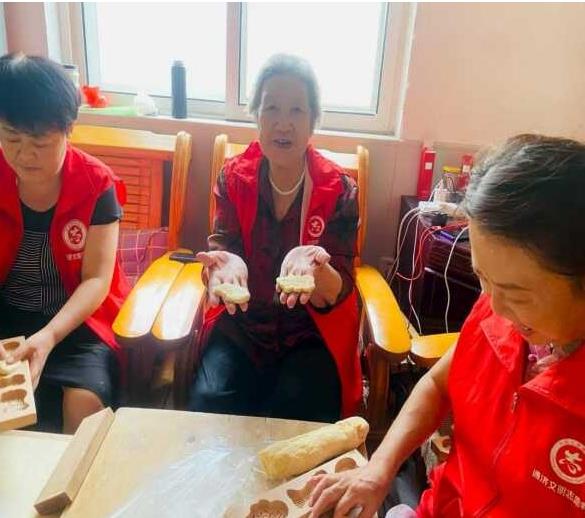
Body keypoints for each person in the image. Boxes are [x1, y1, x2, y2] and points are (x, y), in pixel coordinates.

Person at [308, 134, 585, 517]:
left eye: (517, 295)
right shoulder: (498, 311)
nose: (495, 307)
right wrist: (378, 469)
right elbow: (438, 385)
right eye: (482, 278)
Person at [189, 54, 361, 422]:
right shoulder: (233, 178)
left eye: (297, 110)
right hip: (243, 329)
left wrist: (317, 269)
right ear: (257, 116)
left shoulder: (339, 189)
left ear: (313, 120)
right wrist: (223, 266)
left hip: (309, 334)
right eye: (271, 108)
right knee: (208, 402)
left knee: (298, 412)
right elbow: (222, 250)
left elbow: (342, 285)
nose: (284, 123)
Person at [0, 53, 129, 433]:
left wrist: (49, 336)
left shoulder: (96, 184)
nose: (25, 154)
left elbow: (97, 280)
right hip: (7, 314)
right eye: (11, 137)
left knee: (84, 404)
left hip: (77, 322)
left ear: (68, 129)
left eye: (40, 140)